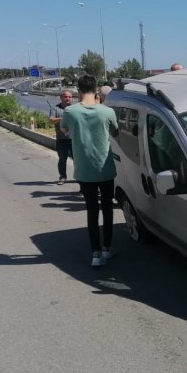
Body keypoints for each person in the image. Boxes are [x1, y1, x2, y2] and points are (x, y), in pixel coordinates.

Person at [61, 75, 119, 267]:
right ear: (96, 91)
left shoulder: (69, 111)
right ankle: (107, 248)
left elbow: (64, 130)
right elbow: (116, 132)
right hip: (105, 168)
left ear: (78, 90)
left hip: (84, 171)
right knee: (107, 209)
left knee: (92, 211)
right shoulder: (107, 111)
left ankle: (95, 254)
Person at [48, 90, 74, 184]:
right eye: (65, 97)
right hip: (61, 139)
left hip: (75, 140)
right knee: (62, 159)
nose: (68, 99)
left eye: (70, 97)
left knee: (78, 161)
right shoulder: (55, 108)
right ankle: (63, 177)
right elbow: (51, 120)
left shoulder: (75, 108)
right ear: (61, 98)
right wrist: (62, 119)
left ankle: (80, 179)